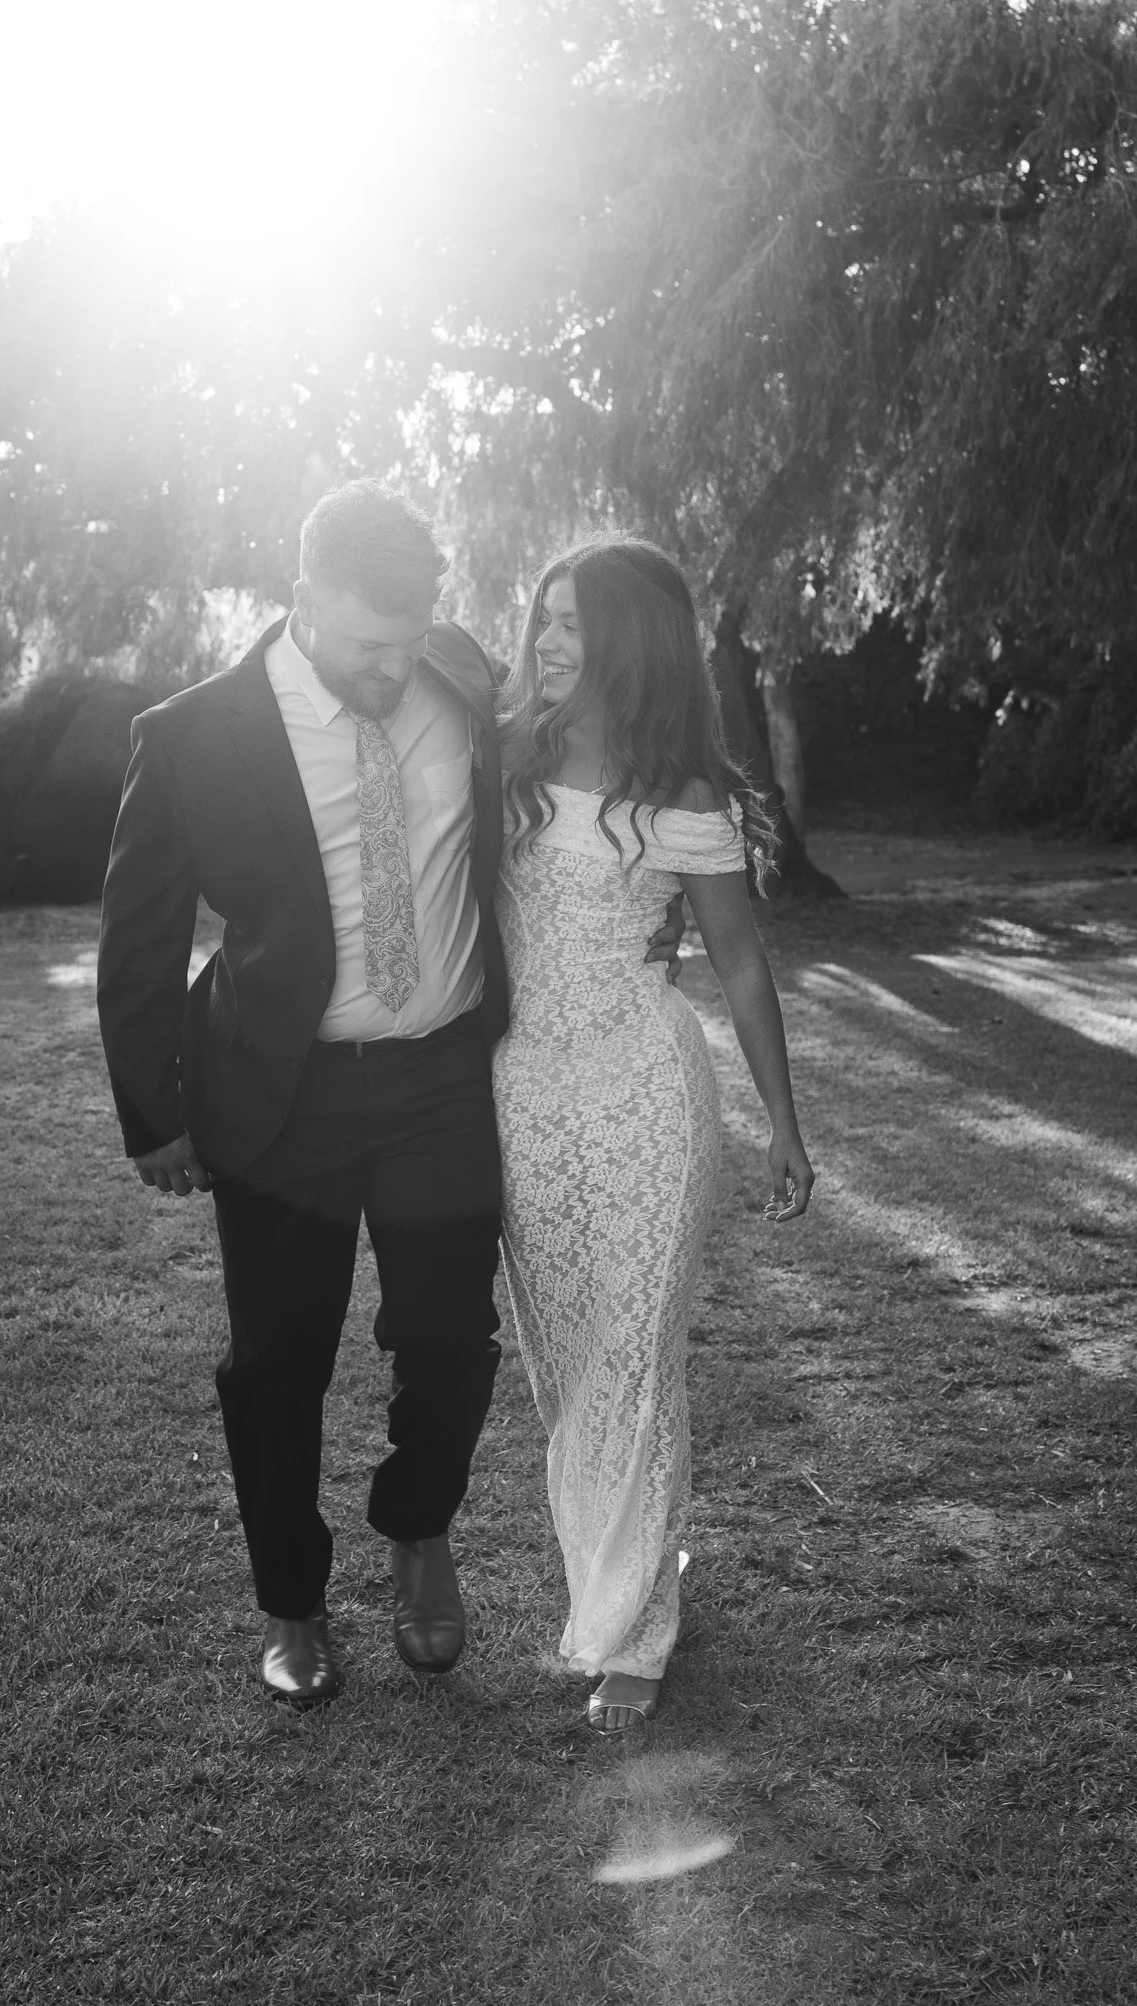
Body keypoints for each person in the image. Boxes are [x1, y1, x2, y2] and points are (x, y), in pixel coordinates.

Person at [96, 481, 510, 1709]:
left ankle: (418, 1526)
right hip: (284, 1097)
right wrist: (155, 1112)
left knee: (450, 1341)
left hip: (442, 1077)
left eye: (415, 633)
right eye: (371, 643)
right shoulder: (191, 735)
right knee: (277, 1366)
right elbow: (138, 937)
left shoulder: (463, 682)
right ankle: (292, 1601)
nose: (400, 663)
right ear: (301, 602)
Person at [492, 536, 815, 1734]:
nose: (551, 639)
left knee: (635, 1354)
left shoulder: (689, 797)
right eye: (544, 618)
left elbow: (737, 958)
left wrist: (783, 1121)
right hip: (521, 1094)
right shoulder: (508, 756)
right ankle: (624, 1567)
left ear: (632, 636)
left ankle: (634, 1629)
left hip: (647, 1093)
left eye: (575, 620)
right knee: (573, 1367)